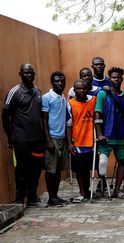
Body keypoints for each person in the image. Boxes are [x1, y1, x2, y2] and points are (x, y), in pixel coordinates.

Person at [2, 64, 46, 208]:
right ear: (20, 74)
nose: (30, 75)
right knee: (21, 170)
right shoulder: (14, 92)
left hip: (37, 139)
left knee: (36, 168)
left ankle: (32, 198)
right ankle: (20, 199)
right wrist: (10, 136)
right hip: (20, 139)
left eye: (32, 73)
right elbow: (4, 115)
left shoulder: (38, 91)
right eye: (26, 73)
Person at [95, 67, 124, 199]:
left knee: (122, 162)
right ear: (109, 79)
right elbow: (98, 114)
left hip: (121, 136)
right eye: (113, 77)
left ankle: (116, 190)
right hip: (106, 136)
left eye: (118, 77)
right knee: (102, 163)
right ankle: (102, 187)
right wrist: (99, 134)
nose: (116, 79)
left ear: (122, 79)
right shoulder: (102, 94)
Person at [67, 79, 96, 203]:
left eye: (84, 88)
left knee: (87, 169)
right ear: (74, 90)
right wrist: (69, 143)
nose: (81, 91)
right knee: (79, 169)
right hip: (78, 141)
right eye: (78, 88)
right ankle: (82, 192)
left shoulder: (93, 100)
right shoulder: (70, 103)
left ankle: (87, 189)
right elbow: (68, 125)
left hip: (91, 141)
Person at [42, 71, 69, 207]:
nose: (60, 83)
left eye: (62, 81)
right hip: (52, 138)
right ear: (52, 83)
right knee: (50, 170)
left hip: (62, 138)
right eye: (57, 81)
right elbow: (44, 120)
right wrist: (47, 140)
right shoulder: (47, 97)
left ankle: (56, 196)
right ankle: (51, 197)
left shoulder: (63, 97)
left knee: (58, 170)